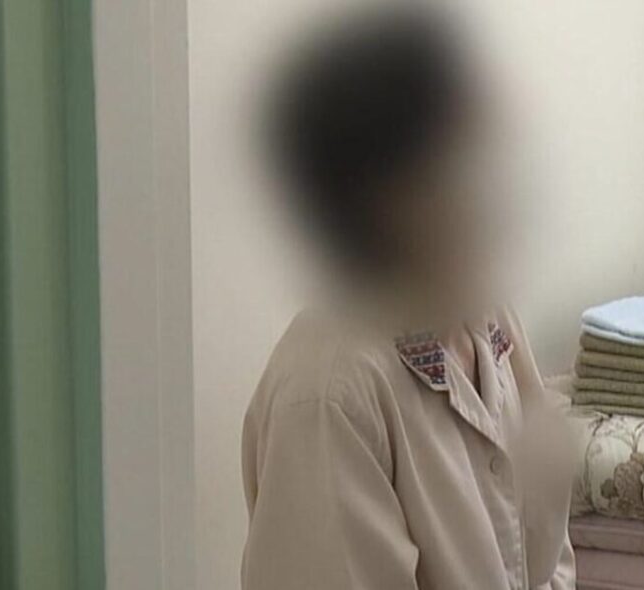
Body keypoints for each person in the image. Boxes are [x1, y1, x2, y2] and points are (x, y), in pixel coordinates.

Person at [241, 7, 576, 589]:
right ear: (386, 195)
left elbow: (548, 566)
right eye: (467, 156)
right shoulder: (331, 394)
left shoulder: (487, 318)